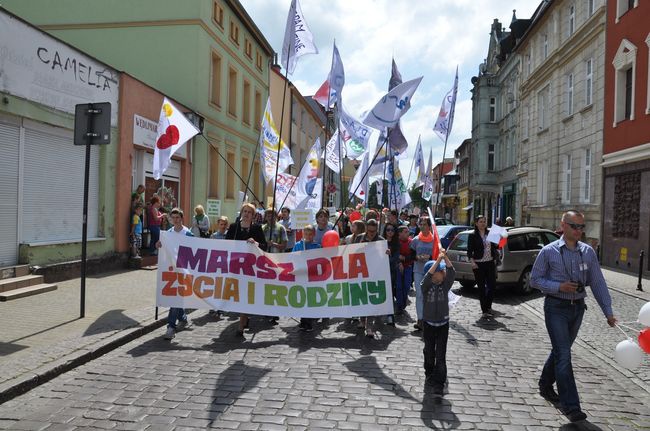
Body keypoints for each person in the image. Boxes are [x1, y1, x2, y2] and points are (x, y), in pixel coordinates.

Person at [531, 210, 617, 423]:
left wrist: (608, 312)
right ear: (563, 225)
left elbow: (597, 282)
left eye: (581, 227)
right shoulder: (549, 251)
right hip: (555, 308)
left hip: (577, 309)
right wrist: (558, 286)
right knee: (564, 354)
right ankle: (571, 407)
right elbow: (535, 280)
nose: (579, 230)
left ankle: (544, 383)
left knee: (561, 351)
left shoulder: (587, 252)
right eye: (574, 226)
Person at [226, 203, 268, 336]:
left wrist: (256, 243)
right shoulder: (234, 227)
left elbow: (264, 246)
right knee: (239, 295)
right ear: (241, 212)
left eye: (249, 212)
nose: (246, 214)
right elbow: (225, 244)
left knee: (245, 295)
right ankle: (245, 317)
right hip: (236, 266)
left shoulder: (256, 228)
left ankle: (241, 325)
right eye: (244, 211)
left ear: (253, 215)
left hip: (251, 268)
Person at [421, 249, 455, 395]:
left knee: (440, 355)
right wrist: (437, 261)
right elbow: (427, 277)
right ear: (434, 273)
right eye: (440, 271)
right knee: (429, 352)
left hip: (442, 325)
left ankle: (439, 384)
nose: (443, 273)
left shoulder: (445, 285)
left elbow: (451, 271)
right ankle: (429, 372)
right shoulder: (425, 287)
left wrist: (445, 257)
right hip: (428, 324)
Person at [157, 208, 194, 340]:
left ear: (181, 218)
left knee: (176, 299)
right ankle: (182, 318)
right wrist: (159, 245)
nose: (175, 220)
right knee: (176, 298)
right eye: (173, 218)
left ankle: (170, 327)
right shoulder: (168, 233)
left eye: (178, 217)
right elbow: (163, 248)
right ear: (171, 219)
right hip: (171, 271)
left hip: (183, 271)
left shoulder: (188, 233)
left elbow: (195, 250)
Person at [354, 219, 385, 338]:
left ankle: (369, 326)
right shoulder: (359, 238)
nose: (371, 233)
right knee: (362, 296)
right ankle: (362, 320)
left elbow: (384, 257)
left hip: (375, 273)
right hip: (361, 271)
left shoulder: (381, 240)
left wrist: (387, 252)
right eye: (369, 231)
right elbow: (353, 252)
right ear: (366, 228)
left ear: (376, 229)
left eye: (374, 231)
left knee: (371, 298)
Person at [467, 215, 499, 318]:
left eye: (484, 222)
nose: (483, 223)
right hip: (478, 264)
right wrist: (472, 262)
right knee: (481, 288)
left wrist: (501, 237)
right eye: (480, 222)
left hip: (490, 263)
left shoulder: (490, 233)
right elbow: (469, 251)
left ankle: (488, 306)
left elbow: (497, 246)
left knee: (492, 286)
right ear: (476, 223)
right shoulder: (472, 235)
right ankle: (484, 310)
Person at [292, 224, 321, 331]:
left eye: (310, 234)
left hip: (311, 276)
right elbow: (292, 257)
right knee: (302, 297)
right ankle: (303, 321)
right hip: (301, 275)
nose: (308, 236)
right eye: (306, 234)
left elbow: (319, 260)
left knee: (310, 298)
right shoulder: (298, 245)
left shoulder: (317, 246)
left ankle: (308, 322)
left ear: (314, 235)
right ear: (303, 234)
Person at [410, 216, 435, 331]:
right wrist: (417, 257)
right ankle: (420, 319)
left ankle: (428, 318)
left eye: (425, 224)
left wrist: (429, 257)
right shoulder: (415, 240)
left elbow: (438, 256)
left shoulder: (435, 240)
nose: (423, 226)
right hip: (418, 270)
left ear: (429, 226)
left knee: (429, 296)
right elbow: (410, 255)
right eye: (421, 224)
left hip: (431, 272)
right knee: (419, 295)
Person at [383, 222, 400, 326]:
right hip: (379, 271)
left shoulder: (396, 244)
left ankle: (390, 316)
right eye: (388, 230)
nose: (390, 232)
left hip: (391, 272)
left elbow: (395, 259)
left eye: (392, 230)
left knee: (390, 294)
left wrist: (389, 256)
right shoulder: (380, 241)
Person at [396, 225, 414, 314]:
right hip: (397, 267)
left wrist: (405, 258)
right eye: (406, 232)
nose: (408, 233)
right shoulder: (395, 242)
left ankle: (403, 301)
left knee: (406, 286)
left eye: (408, 231)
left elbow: (413, 255)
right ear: (400, 233)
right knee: (399, 286)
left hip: (408, 267)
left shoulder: (411, 242)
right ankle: (400, 305)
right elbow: (393, 254)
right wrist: (399, 261)